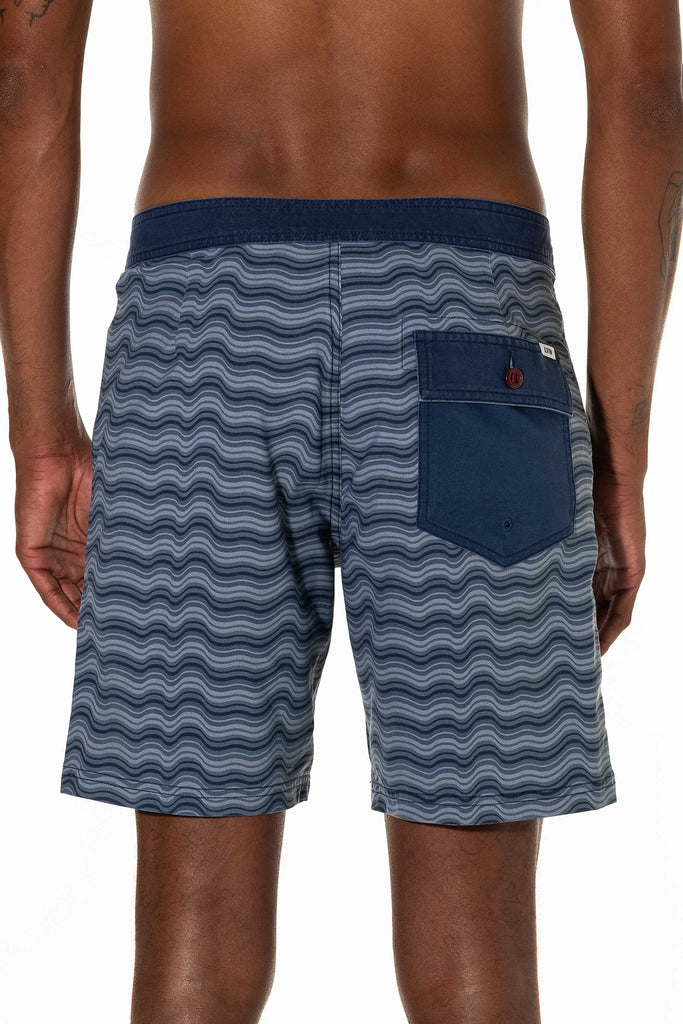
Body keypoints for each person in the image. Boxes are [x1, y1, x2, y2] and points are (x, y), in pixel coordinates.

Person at [1, 1, 681, 1022]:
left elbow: (22, 81)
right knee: (475, 954)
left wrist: (41, 429)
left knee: (193, 951)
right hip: (466, 312)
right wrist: (619, 460)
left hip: (202, 325)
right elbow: (641, 96)